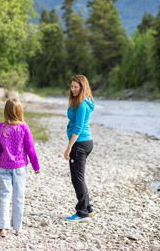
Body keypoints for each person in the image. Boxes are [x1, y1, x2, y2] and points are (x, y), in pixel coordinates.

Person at [0, 98, 40, 237]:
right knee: (19, 197)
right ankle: (17, 227)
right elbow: (30, 149)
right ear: (20, 111)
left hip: (4, 166)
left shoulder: (1, 127)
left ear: (6, 111)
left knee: (4, 196)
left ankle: (2, 228)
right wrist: (36, 166)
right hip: (19, 167)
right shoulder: (23, 127)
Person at [63, 75, 96, 222]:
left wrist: (69, 147)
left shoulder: (82, 104)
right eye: (72, 86)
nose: (73, 89)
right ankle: (88, 208)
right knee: (79, 177)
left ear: (83, 87)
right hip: (85, 142)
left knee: (77, 179)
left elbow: (78, 127)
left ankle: (82, 212)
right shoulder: (85, 102)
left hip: (80, 144)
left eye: (76, 87)